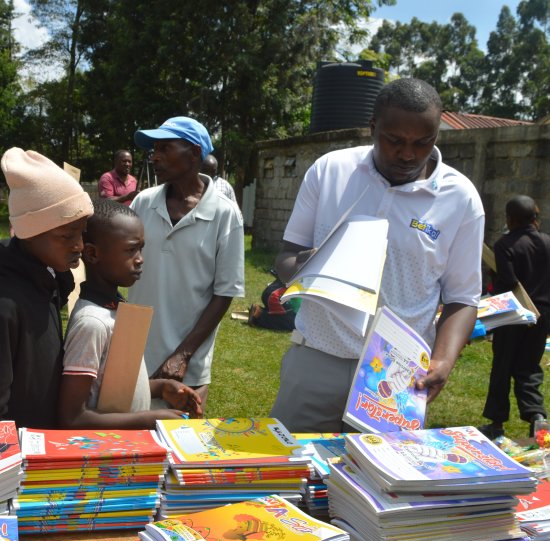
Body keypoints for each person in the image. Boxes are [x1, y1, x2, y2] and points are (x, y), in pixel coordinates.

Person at [269, 78, 484, 432]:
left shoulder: (460, 199)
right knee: (295, 472)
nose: (408, 154)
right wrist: (320, 264)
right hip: (317, 358)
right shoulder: (331, 171)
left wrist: (443, 360)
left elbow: (463, 298)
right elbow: (287, 257)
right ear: (373, 128)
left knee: (379, 484)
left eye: (423, 143)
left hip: (397, 372)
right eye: (395, 140)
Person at [0, 147, 93, 428]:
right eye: (66, 235)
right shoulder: (3, 308)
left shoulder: (47, 285)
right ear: (29, 232)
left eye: (81, 233)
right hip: (16, 460)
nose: (79, 245)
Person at [130, 116, 245, 411]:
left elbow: (224, 293)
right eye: (154, 149)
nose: (155, 156)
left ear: (194, 153)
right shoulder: (143, 202)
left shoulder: (224, 213)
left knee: (177, 447)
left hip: (187, 365)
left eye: (165, 148)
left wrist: (183, 354)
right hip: (136, 354)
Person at [59, 199, 202, 429]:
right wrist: (150, 420)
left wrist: (161, 387)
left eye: (141, 248)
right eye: (130, 249)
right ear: (93, 254)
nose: (140, 259)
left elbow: (115, 388)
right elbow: (73, 417)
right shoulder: (92, 323)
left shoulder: (114, 308)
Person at [480, 195, 550, 439]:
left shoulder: (505, 245)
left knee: (503, 366)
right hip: (541, 317)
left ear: (510, 218)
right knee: (529, 367)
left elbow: (507, 283)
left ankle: (496, 423)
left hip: (514, 315)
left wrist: (494, 274)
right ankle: (537, 417)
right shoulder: (547, 242)